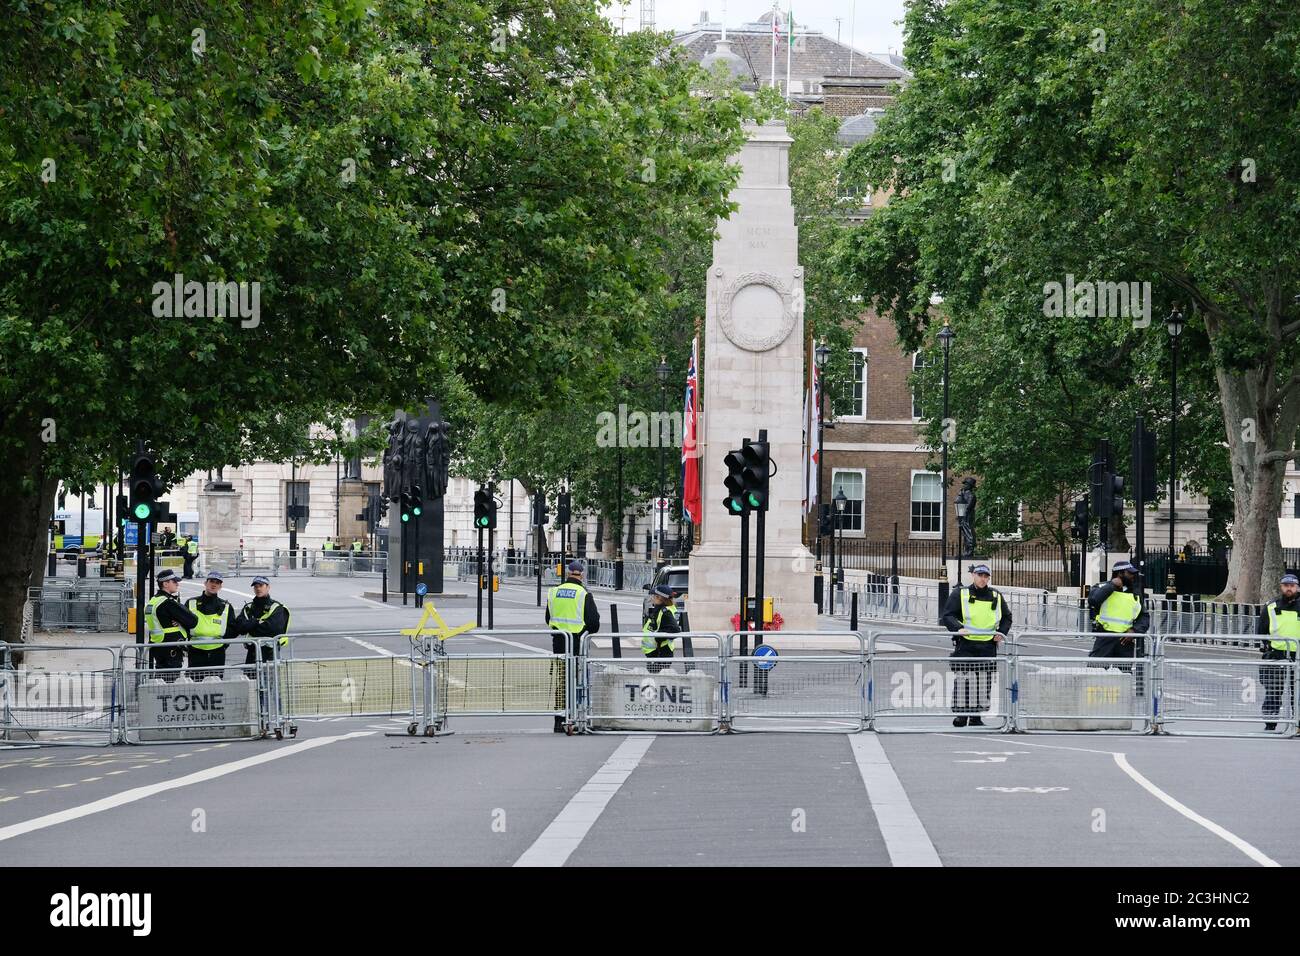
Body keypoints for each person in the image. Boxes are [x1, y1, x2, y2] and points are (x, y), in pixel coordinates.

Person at [941, 563, 1012, 726]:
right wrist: (958, 628)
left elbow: (1007, 617)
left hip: (987, 645)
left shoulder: (996, 595)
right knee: (964, 680)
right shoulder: (961, 593)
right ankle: (961, 715)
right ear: (973, 575)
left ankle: (976, 716)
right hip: (966, 643)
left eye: (986, 576)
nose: (983, 579)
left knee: (984, 682)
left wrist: (1001, 633)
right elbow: (947, 615)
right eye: (980, 575)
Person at [544, 559, 600, 732]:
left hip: (559, 642)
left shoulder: (554, 592)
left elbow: (548, 618)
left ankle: (559, 720)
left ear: (568, 573)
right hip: (576, 643)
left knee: (562, 682)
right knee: (577, 682)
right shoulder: (583, 594)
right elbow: (594, 623)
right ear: (581, 575)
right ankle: (574, 719)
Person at [1255, 572, 1300, 731]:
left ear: (1297, 588)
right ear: (1281, 587)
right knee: (1273, 691)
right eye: (1286, 586)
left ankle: (1298, 724)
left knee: (1298, 693)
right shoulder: (1271, 606)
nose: (1289, 589)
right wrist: (1268, 646)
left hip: (1298, 656)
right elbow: (1261, 630)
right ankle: (1270, 723)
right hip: (1276, 654)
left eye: (1292, 586)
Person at [144, 569, 198, 682]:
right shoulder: (168, 603)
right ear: (165, 584)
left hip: (157, 645)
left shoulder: (153, 601)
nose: (177, 584)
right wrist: (181, 622)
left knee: (160, 679)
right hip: (171, 648)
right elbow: (193, 621)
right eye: (174, 582)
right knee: (170, 681)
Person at [1087, 560, 1149, 658]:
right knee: (1097, 670)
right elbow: (1093, 600)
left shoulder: (1135, 593)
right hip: (1105, 638)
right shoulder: (1101, 586)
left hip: (1125, 640)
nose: (1133, 576)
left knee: (1124, 673)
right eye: (1130, 573)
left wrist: (1134, 630)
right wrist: (1111, 586)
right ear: (1120, 573)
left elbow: (1144, 617)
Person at [185, 570, 235, 679]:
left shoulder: (226, 606)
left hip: (217, 652)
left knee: (216, 685)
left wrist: (224, 645)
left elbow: (232, 629)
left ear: (220, 586)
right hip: (195, 651)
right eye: (211, 581)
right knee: (195, 684)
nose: (214, 584)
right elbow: (183, 624)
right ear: (205, 583)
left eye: (217, 582)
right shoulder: (190, 603)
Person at [237, 576, 291, 675]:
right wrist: (257, 622)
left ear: (268, 587)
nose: (258, 588)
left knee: (270, 684)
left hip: (270, 652)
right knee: (251, 684)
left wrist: (251, 625)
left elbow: (274, 629)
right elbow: (240, 627)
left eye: (261, 586)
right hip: (252, 652)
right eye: (256, 586)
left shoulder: (277, 607)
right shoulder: (248, 607)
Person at [642, 584, 680, 673]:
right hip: (657, 652)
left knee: (657, 679)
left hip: (661, 652)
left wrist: (658, 636)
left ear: (660, 598)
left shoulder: (665, 612)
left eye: (654, 596)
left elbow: (675, 630)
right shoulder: (660, 609)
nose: (651, 598)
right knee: (656, 678)